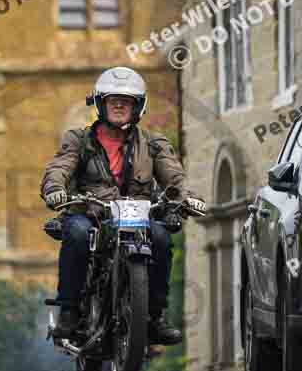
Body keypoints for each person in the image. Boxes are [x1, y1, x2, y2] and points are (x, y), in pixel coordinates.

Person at [40, 66, 206, 345]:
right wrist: (55, 189)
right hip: (91, 214)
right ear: (100, 104)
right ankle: (69, 311)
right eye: (112, 100)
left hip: (138, 216)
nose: (119, 105)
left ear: (138, 107)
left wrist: (187, 197)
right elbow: (59, 167)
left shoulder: (154, 144)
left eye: (126, 101)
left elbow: (174, 178)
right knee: (78, 234)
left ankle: (155, 317)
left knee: (162, 237)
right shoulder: (78, 140)